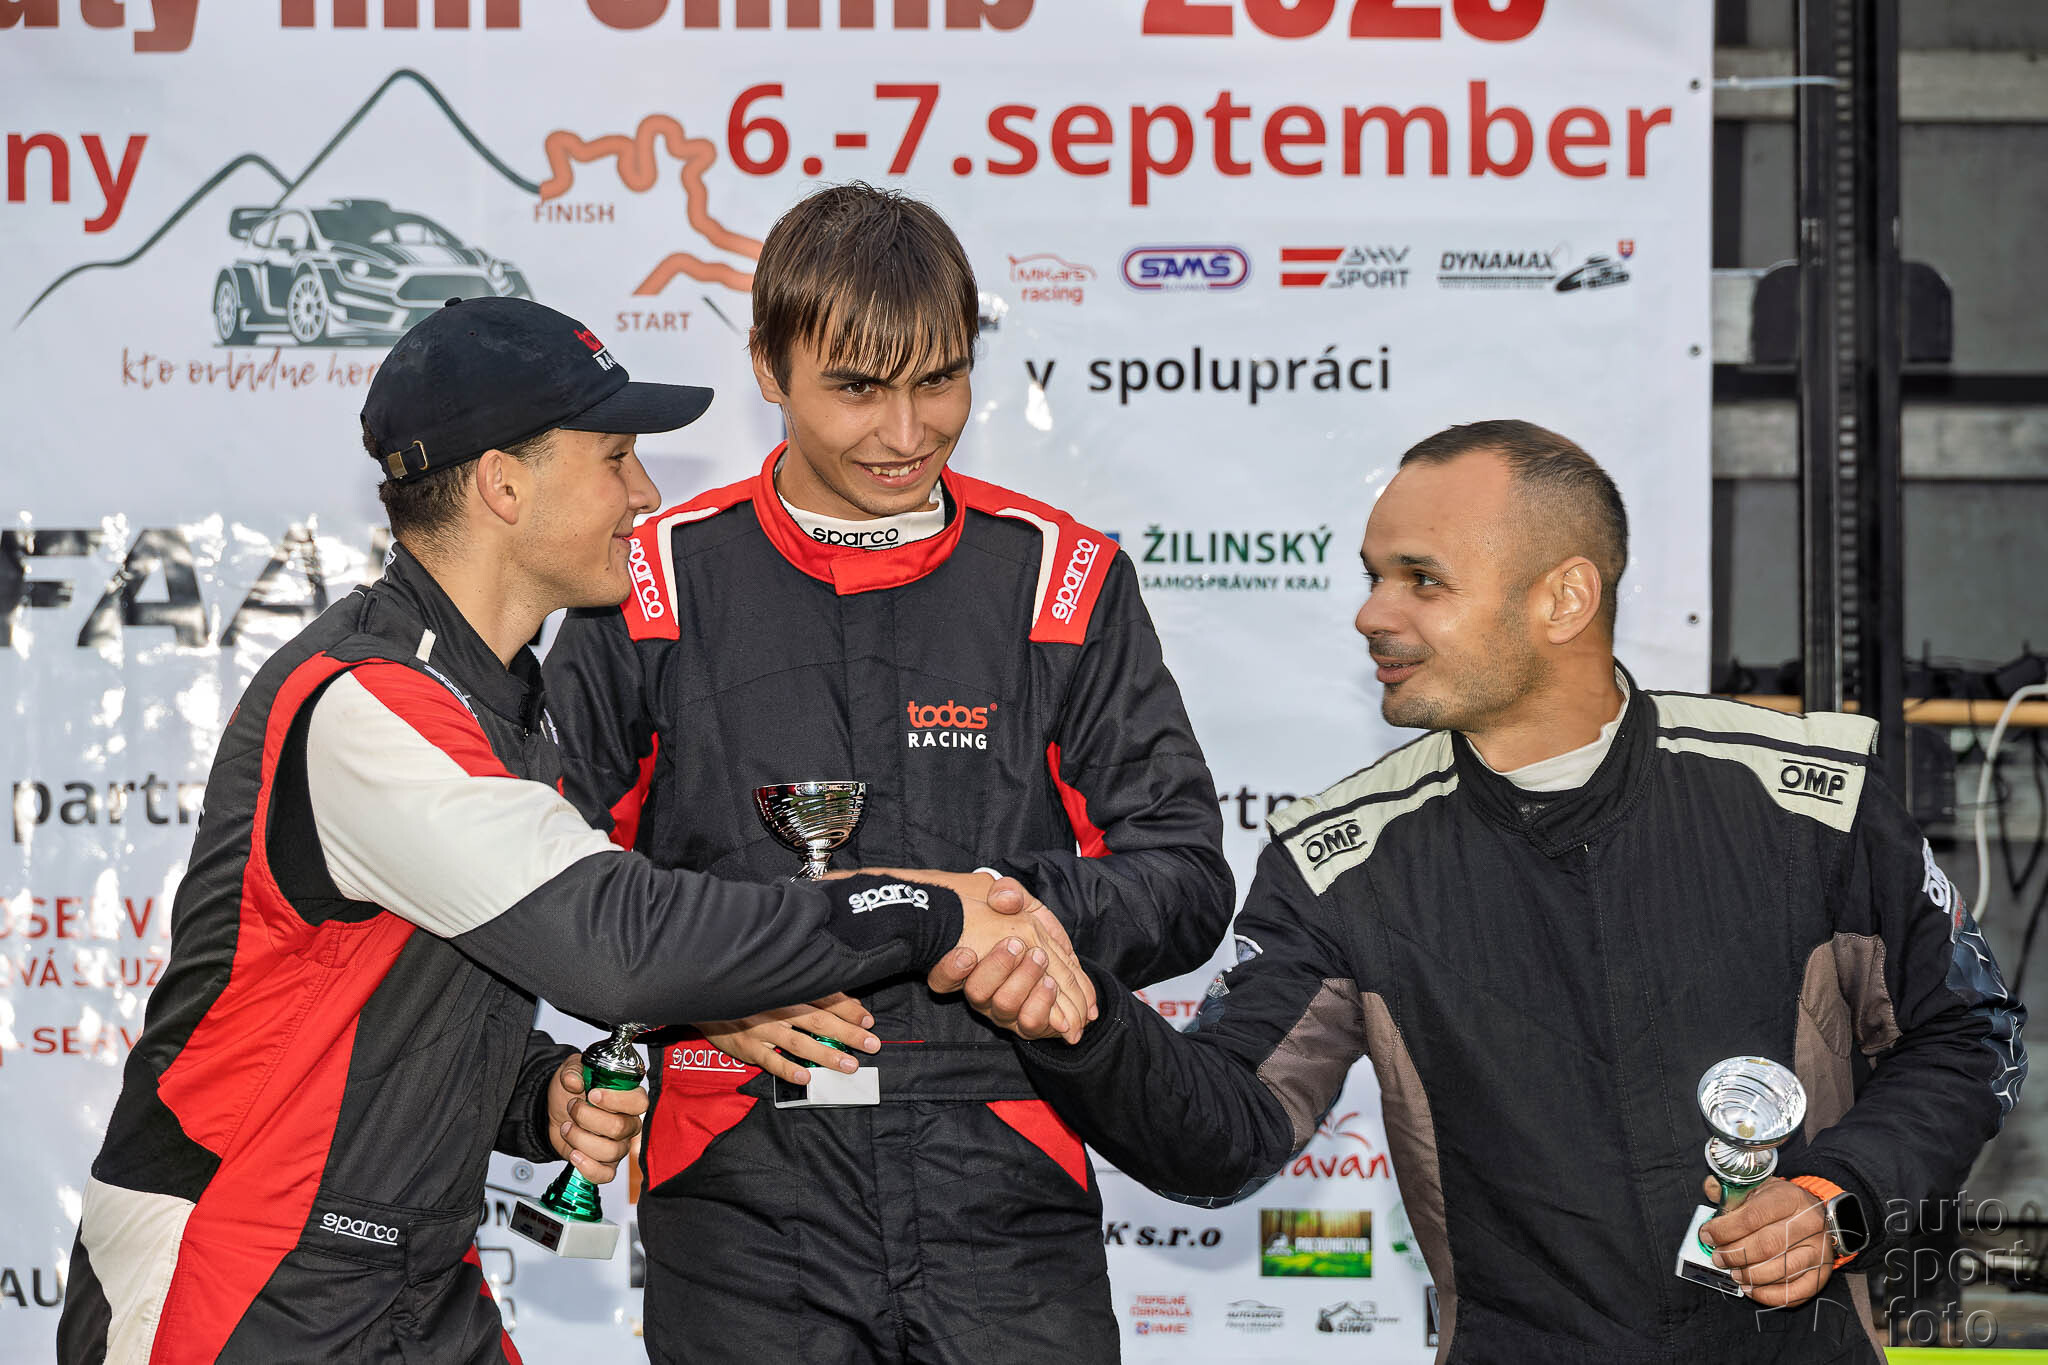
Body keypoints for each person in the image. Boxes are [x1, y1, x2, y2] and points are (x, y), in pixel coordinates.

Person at [56, 296, 1091, 1365]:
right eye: (616, 458)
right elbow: (615, 945)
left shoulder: (502, 700)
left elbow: (405, 996)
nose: (646, 494)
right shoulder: (371, 697)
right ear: (504, 486)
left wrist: (536, 1096)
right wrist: (924, 907)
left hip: (412, 1270)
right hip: (242, 1260)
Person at [974, 419, 2026, 1363]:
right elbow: (1224, 1135)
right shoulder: (1342, 862)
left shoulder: (1807, 798)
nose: (1370, 613)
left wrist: (1839, 1196)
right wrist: (1083, 1019)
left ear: (1564, 598)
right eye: (1373, 575)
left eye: (1421, 580)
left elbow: (1967, 1035)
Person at [544, 183, 1232, 1364]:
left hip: (1004, 1175)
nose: (906, 432)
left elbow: (1183, 880)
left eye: (939, 381)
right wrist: (711, 987)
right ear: (767, 366)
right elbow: (547, 884)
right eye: (857, 389)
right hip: (739, 1188)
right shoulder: (649, 585)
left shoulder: (1060, 580)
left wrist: (991, 911)